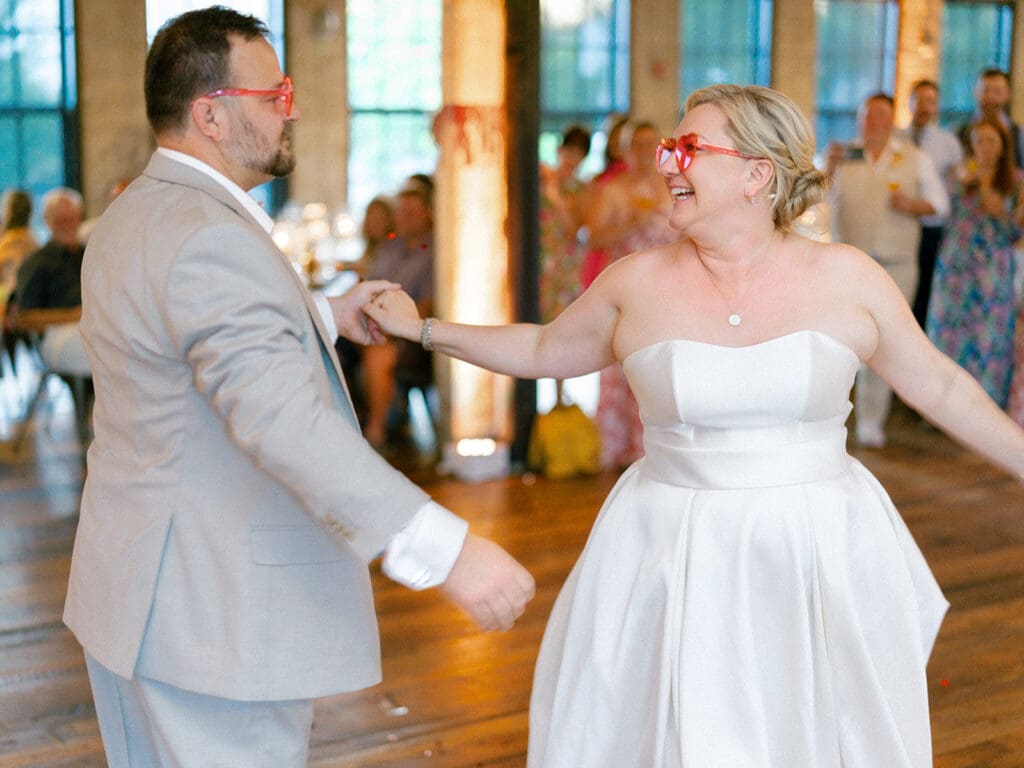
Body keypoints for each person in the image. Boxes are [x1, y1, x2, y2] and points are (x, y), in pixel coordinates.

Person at [365, 83, 1024, 768]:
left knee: (817, 730)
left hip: (814, 548)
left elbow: (942, 387)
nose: (667, 165)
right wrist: (425, 329)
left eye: (687, 149)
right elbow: (540, 349)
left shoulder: (847, 278)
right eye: (666, 149)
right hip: (670, 549)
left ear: (755, 174)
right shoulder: (635, 282)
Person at [62, 9, 533, 767]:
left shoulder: (134, 214)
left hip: (134, 595)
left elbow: (172, 335)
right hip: (213, 615)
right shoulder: (212, 236)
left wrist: (318, 315)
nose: (294, 108)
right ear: (210, 114)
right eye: (275, 93)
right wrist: (443, 550)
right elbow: (282, 421)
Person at [827, 92, 950, 447]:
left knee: (884, 344)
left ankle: (871, 419)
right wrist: (827, 170)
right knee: (841, 340)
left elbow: (940, 206)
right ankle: (832, 417)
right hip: (849, 264)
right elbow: (814, 201)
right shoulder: (843, 154)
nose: (874, 122)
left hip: (897, 263)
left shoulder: (914, 158)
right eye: (868, 116)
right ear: (859, 120)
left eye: (881, 115)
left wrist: (913, 205)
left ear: (891, 120)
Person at [585, 120, 677, 469]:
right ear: (624, 150)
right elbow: (592, 237)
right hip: (625, 292)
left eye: (650, 144)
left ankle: (654, 451)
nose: (642, 151)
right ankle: (617, 448)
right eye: (635, 145)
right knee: (620, 366)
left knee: (657, 369)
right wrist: (634, 221)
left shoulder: (672, 187)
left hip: (667, 292)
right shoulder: (613, 189)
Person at [927, 118, 1023, 408]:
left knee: (989, 337)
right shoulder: (960, 174)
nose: (984, 147)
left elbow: (1017, 229)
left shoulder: (1016, 181)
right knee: (949, 334)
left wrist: (995, 203)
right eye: (979, 140)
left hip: (993, 268)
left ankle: (985, 407)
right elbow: (941, 209)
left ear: (1003, 146)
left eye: (991, 141)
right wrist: (962, 181)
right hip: (956, 267)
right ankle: (944, 407)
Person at [362, 181, 435, 447]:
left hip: (409, 332)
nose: (405, 217)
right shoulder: (390, 246)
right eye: (402, 212)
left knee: (379, 352)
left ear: (427, 213)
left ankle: (375, 432)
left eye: (413, 212)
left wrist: (397, 321)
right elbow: (368, 284)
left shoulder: (433, 252)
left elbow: (427, 304)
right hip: (375, 320)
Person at [897, 80, 964, 327]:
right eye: (920, 100)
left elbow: (957, 187)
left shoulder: (949, 143)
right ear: (910, 103)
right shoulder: (896, 138)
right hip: (900, 224)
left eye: (930, 101)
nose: (924, 106)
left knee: (925, 289)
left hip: (932, 229)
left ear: (937, 107)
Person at [13, 187, 90, 376]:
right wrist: (73, 315)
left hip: (92, 327)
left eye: (71, 219)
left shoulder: (89, 253)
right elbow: (24, 318)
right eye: (60, 220)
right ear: (47, 222)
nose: (67, 225)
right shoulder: (36, 263)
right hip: (56, 335)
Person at [956, 68, 1022, 169]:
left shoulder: (1020, 135)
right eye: (985, 90)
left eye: (997, 92)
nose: (990, 97)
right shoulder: (960, 132)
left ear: (1008, 95)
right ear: (975, 92)